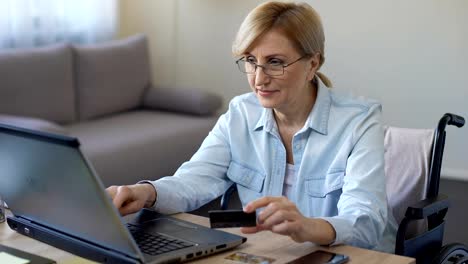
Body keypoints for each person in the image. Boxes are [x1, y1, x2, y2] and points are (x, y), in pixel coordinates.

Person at [107, 1, 397, 253]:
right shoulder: (240, 113)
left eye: (275, 62)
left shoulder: (359, 120)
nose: (259, 79)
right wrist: (146, 192)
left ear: (313, 64)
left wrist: (309, 227)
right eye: (250, 60)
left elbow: (366, 223)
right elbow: (194, 180)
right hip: (272, 252)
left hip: (350, 255)